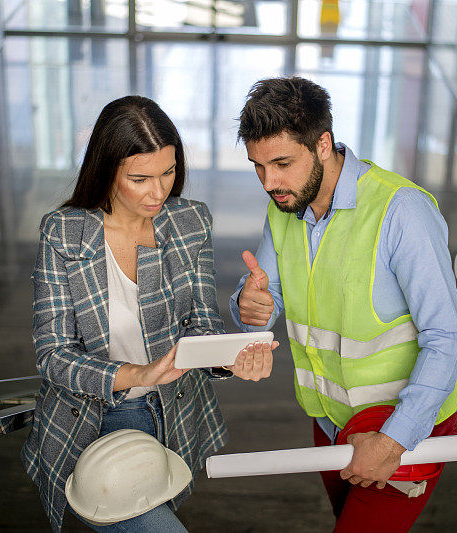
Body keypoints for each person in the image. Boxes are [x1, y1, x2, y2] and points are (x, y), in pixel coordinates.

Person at [21, 95, 276, 532]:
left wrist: (229, 354)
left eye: (169, 172)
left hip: (173, 415)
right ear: (107, 171)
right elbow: (53, 355)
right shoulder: (64, 233)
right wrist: (140, 374)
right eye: (140, 179)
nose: (159, 193)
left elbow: (201, 327)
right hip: (95, 421)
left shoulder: (190, 222)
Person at [229, 77, 457, 531]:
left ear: (323, 144)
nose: (269, 182)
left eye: (282, 163)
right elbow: (265, 292)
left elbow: (448, 341)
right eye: (258, 166)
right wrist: (251, 303)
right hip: (330, 422)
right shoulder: (284, 206)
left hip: (401, 426)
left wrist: (395, 439)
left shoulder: (403, 212)